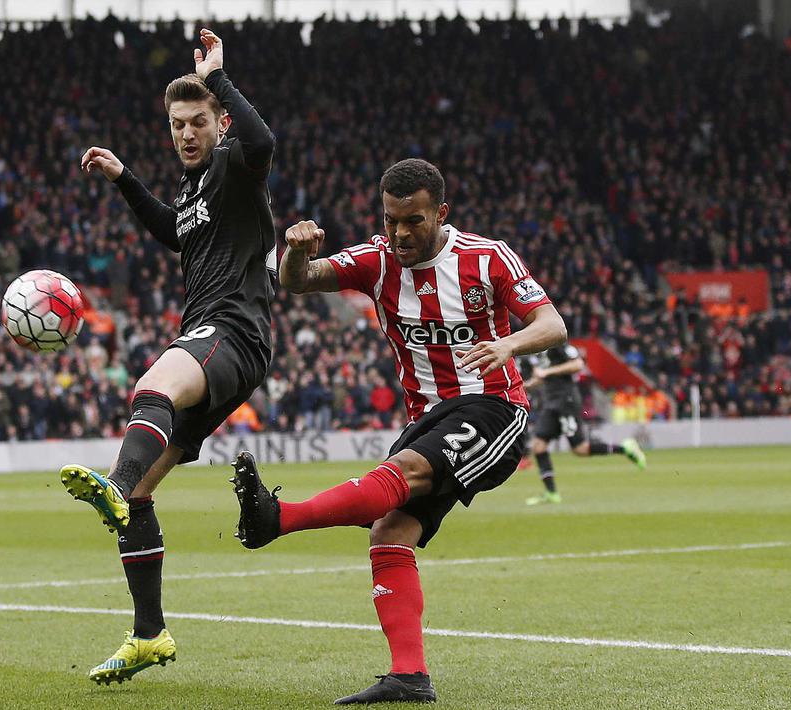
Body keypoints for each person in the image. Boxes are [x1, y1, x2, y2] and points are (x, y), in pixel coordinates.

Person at [233, 158, 568, 705]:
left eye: (413, 220)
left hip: (492, 407)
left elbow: (552, 324)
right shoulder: (377, 260)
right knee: (389, 533)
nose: (401, 233)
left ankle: (279, 519)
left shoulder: (487, 258)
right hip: (425, 419)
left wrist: (508, 345)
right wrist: (294, 250)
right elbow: (297, 283)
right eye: (391, 220)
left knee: (404, 471)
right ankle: (409, 675)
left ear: (441, 212)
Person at [61, 27, 276, 685]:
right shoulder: (192, 191)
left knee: (151, 383)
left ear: (218, 122)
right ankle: (148, 634)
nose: (185, 132)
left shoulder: (234, 165)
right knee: (150, 491)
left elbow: (263, 141)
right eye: (177, 124)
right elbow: (172, 235)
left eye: (197, 121)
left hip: (232, 330)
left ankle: (115, 487)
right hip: (214, 335)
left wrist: (216, 78)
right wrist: (126, 179)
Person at [523, 344, 646, 505]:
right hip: (551, 403)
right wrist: (526, 385)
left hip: (566, 401)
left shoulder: (558, 346)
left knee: (580, 449)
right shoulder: (539, 352)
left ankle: (625, 448)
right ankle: (551, 493)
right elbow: (542, 377)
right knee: (538, 446)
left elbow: (577, 364)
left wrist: (548, 372)